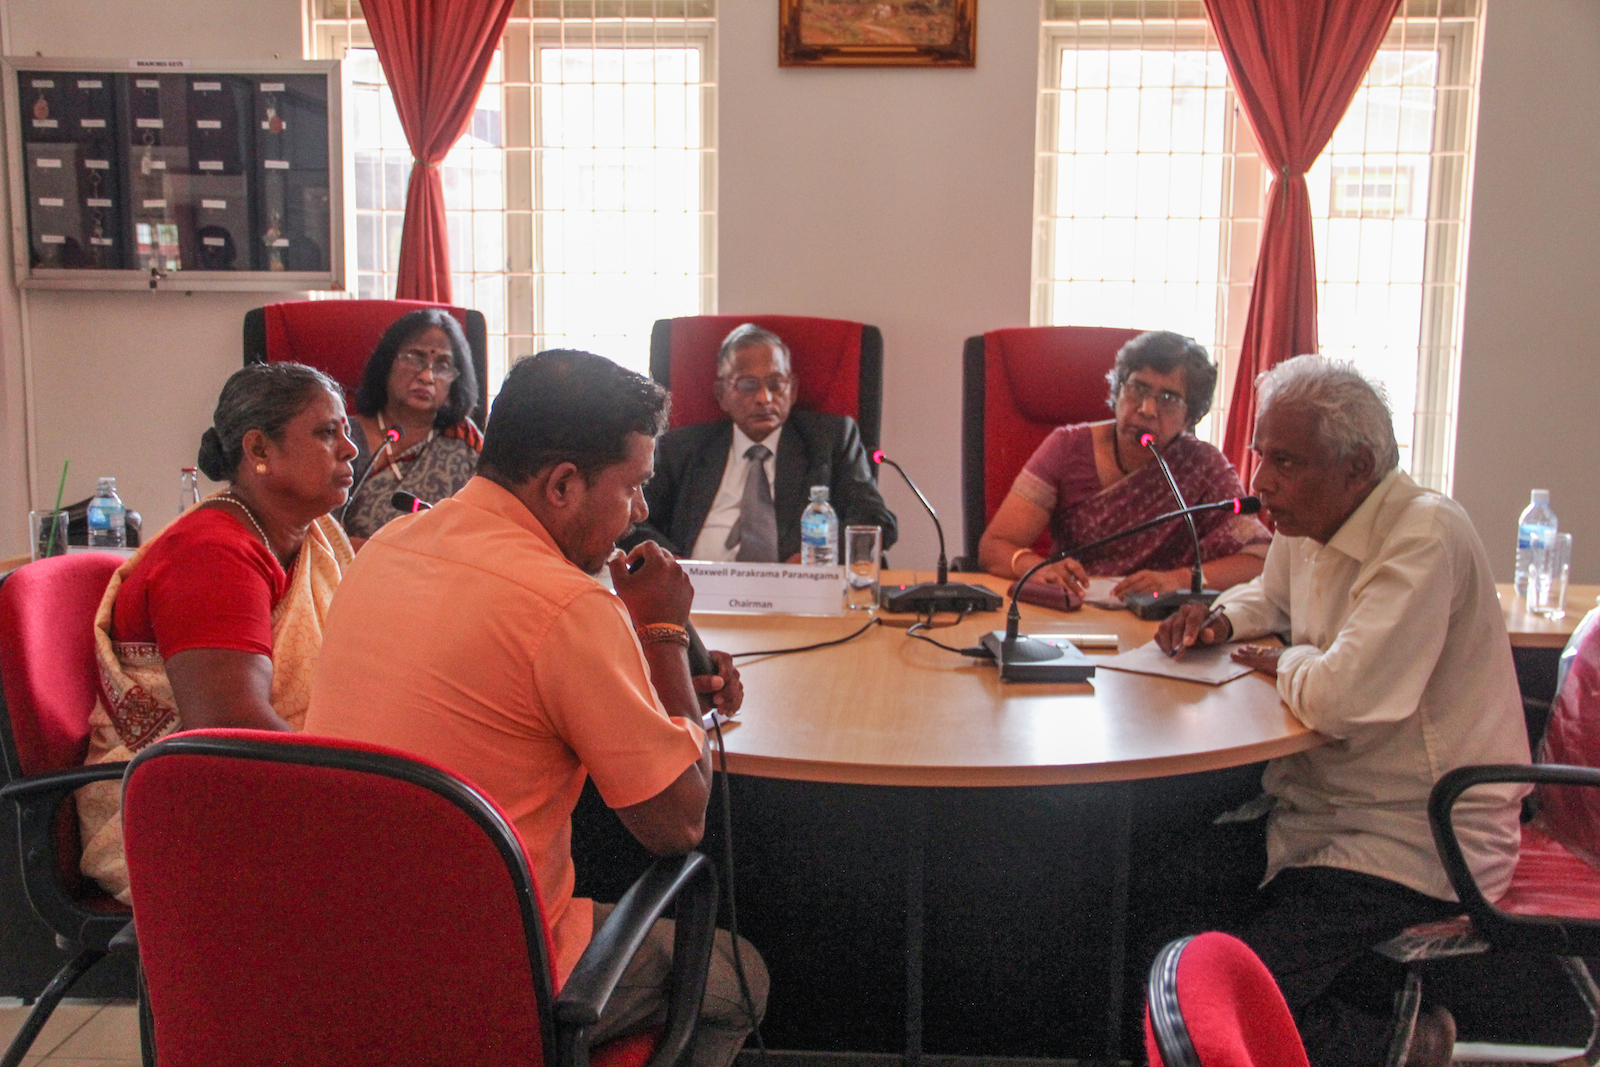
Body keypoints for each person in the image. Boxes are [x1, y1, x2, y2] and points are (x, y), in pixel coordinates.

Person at [305, 350, 767, 1067]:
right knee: (737, 977)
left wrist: (651, 668)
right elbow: (679, 820)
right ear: (561, 485)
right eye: (635, 486)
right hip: (487, 974)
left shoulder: (391, 544)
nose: (641, 511)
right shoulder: (569, 605)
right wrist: (665, 634)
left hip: (339, 955)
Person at [1156, 355, 1531, 1067]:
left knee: (1234, 999)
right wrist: (1220, 621)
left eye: (1286, 461)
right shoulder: (1309, 517)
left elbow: (1342, 697)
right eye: (1260, 454)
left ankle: (1406, 1044)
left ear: (1358, 466)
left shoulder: (1423, 533)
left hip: (1414, 835)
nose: (1261, 481)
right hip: (1320, 811)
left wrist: (1284, 661)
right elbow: (1271, 601)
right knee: (1155, 894)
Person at [78, 362, 358, 901]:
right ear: (259, 452)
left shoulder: (305, 537)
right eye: (327, 432)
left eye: (347, 431)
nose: (349, 449)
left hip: (267, 787)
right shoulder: (212, 554)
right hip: (175, 816)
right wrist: (375, 786)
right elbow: (230, 730)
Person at [978, 330, 1270, 599]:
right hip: (1076, 609)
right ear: (1117, 390)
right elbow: (994, 547)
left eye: (1168, 398)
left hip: (1161, 623)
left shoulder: (1202, 465)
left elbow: (1259, 560)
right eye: (1138, 389)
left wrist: (1180, 580)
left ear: (1190, 417)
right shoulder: (1066, 448)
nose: (1147, 409)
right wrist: (1037, 568)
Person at [634, 323, 897, 562]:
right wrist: (669, 562)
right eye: (748, 385)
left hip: (799, 595)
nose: (764, 398)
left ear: (792, 390)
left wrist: (815, 556)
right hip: (696, 596)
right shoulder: (681, 448)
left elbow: (875, 521)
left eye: (775, 384)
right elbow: (634, 520)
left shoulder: (831, 439)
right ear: (722, 395)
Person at [341, 308, 481, 545]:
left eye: (442, 365)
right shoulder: (344, 438)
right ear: (386, 364)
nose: (427, 376)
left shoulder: (463, 441)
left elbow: (484, 529)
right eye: (415, 358)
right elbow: (320, 535)